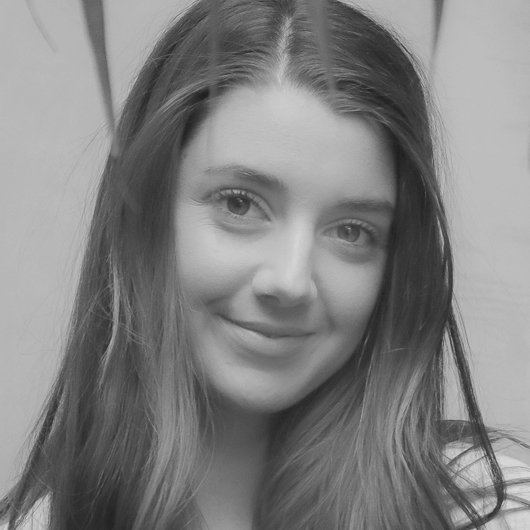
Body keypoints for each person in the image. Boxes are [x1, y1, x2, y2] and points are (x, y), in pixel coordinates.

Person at [1, 0, 530, 528]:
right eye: (239, 204)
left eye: (351, 231)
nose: (290, 280)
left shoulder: (487, 513)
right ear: (145, 216)